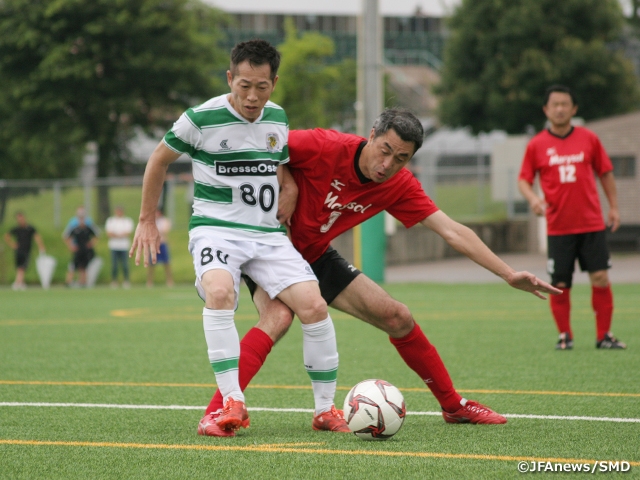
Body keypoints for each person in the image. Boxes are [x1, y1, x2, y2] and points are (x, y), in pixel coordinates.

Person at [200, 108, 562, 437]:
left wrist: (507, 273)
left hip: (315, 256)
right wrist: (288, 181)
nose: (388, 164)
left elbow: (452, 230)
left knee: (397, 315)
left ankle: (454, 407)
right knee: (279, 316)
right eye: (385, 150)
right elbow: (268, 144)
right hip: (269, 248)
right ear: (371, 134)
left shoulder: (398, 185)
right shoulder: (325, 145)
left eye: (401, 158)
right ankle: (216, 412)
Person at [129, 39, 347, 436]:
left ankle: (325, 410)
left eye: (261, 87)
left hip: (266, 234)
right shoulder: (199, 118)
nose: (251, 96)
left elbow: (278, 166)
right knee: (219, 292)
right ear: (230, 78)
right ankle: (231, 402)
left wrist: (291, 187)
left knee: (314, 306)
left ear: (274, 84)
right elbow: (158, 159)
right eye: (243, 85)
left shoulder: (277, 118)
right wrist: (146, 219)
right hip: (216, 230)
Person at [518, 85, 626, 350]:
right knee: (560, 284)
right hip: (558, 228)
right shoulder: (537, 145)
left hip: (591, 224)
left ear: (574, 109)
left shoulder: (589, 138)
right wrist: (533, 199)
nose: (560, 109)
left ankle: (604, 336)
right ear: (546, 110)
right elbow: (524, 179)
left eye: (565, 104)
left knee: (600, 278)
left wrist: (613, 207)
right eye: (554, 104)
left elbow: (606, 172)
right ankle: (564, 335)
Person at [3, 211, 46, 290]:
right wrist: (12, 244)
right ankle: (18, 282)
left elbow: (37, 237)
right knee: (20, 267)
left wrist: (41, 246)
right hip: (19, 250)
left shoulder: (30, 228)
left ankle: (20, 282)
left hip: (27, 250)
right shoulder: (16, 229)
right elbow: (6, 236)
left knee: (23, 267)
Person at [63, 207, 96, 287]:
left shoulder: (88, 227)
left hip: (85, 250)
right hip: (77, 250)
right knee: (73, 265)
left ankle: (83, 282)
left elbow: (96, 236)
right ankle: (68, 281)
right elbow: (66, 237)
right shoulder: (74, 227)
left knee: (84, 267)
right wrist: (71, 246)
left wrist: (91, 244)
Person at [105, 206, 134, 288]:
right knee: (114, 265)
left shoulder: (127, 221)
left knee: (125, 264)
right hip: (114, 246)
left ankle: (126, 280)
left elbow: (128, 232)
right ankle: (114, 281)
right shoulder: (111, 221)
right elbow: (109, 233)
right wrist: (120, 235)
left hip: (124, 246)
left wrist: (117, 235)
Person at [146, 208, 174, 287]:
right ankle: (149, 281)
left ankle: (169, 280)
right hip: (154, 244)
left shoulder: (164, 221)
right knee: (151, 264)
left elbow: (165, 231)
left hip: (162, 243)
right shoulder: (152, 222)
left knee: (166, 263)